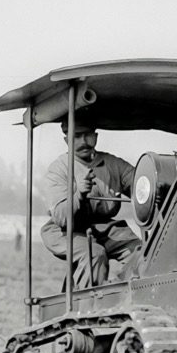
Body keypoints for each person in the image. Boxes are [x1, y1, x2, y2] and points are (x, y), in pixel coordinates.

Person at [40, 119, 140, 289]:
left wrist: (155, 186)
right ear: (66, 140)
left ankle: (130, 301)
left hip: (103, 227)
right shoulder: (59, 169)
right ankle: (87, 310)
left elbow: (140, 183)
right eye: (77, 136)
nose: (84, 142)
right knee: (94, 253)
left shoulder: (112, 164)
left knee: (142, 252)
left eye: (88, 136)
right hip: (65, 230)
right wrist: (79, 194)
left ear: (96, 136)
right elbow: (62, 218)